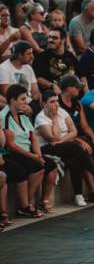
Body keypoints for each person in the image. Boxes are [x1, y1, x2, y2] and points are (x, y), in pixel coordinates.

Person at [35, 90, 94, 206]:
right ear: (44, 103)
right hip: (46, 148)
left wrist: (61, 141)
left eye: (57, 101)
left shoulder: (62, 111)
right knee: (74, 147)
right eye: (52, 102)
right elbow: (53, 138)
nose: (56, 104)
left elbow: (74, 132)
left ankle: (78, 195)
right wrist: (55, 118)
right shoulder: (40, 118)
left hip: (61, 146)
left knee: (74, 160)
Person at [1, 84, 57, 215]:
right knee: (36, 166)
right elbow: (10, 145)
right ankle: (25, 205)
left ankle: (40, 201)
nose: (25, 102)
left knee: (50, 164)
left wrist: (38, 154)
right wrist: (33, 157)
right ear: (12, 100)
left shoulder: (23, 115)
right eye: (22, 99)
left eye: (25, 98)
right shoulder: (3, 116)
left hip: (27, 152)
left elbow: (33, 138)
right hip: (12, 153)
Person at [59, 74, 94, 202]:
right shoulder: (57, 103)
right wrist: (78, 140)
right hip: (66, 138)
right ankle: (93, 191)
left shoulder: (77, 104)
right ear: (69, 88)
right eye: (77, 87)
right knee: (85, 151)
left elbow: (84, 125)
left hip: (80, 135)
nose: (80, 90)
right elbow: (59, 132)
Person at [33, 27, 87, 95]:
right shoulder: (41, 57)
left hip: (74, 94)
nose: (50, 40)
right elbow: (38, 78)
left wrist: (87, 92)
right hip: (55, 96)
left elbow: (82, 75)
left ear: (63, 40)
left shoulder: (70, 56)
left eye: (54, 38)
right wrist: (52, 86)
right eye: (49, 37)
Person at [0, 41, 41, 114]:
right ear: (19, 55)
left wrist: (32, 105)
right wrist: (23, 106)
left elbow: (36, 92)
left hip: (29, 102)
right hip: (15, 103)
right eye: (28, 54)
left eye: (32, 53)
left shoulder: (28, 68)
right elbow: (7, 93)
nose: (32, 57)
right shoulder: (4, 68)